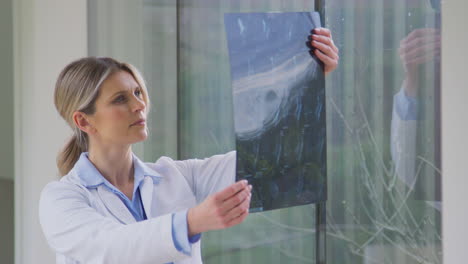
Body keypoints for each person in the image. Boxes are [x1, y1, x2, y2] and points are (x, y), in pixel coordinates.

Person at [39, 28, 339, 264]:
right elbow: (112, 248)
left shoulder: (178, 177)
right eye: (120, 99)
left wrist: (305, 81)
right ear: (84, 121)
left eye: (137, 92)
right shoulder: (61, 200)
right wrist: (192, 221)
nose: (139, 105)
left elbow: (268, 158)